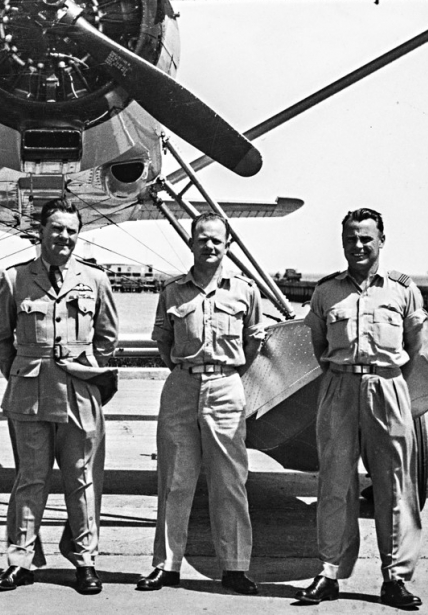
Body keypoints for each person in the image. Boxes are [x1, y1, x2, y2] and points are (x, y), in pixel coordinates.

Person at [0, 198, 119, 595]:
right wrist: (24, 369)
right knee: (31, 478)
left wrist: (86, 368)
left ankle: (85, 561)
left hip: (80, 392)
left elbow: (108, 339)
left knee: (82, 480)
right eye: (57, 229)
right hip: (30, 394)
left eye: (71, 231)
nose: (64, 237)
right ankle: (20, 561)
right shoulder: (15, 279)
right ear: (41, 232)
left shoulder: (95, 280)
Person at [297, 208, 426, 608]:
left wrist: (383, 378)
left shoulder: (403, 290)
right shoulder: (326, 292)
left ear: (381, 241)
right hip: (338, 387)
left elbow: (413, 344)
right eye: (351, 238)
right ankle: (330, 572)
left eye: (366, 238)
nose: (358, 245)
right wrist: (345, 375)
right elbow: (319, 345)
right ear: (342, 243)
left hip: (387, 388)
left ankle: (395, 578)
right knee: (334, 482)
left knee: (394, 484)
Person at [136, 212, 263, 595]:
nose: (210, 246)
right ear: (191, 243)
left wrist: (224, 374)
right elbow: (163, 342)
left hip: (226, 386)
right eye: (202, 239)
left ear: (227, 246)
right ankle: (167, 565)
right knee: (174, 479)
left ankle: (236, 568)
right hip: (182, 386)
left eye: (217, 241)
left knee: (229, 480)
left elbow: (253, 342)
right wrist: (188, 370)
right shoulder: (173, 292)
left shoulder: (245, 290)